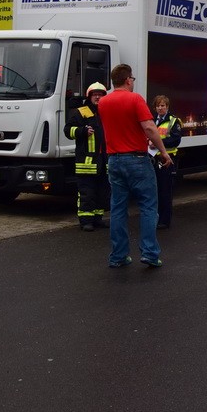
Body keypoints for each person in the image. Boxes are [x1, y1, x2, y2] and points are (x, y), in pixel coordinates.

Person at [96, 65, 172, 268]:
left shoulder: (103, 102)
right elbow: (149, 127)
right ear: (128, 80)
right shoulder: (135, 99)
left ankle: (118, 256)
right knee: (148, 206)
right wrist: (163, 152)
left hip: (114, 160)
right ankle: (149, 253)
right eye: (133, 79)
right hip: (137, 160)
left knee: (118, 208)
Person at [64, 82, 110, 231]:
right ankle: (85, 221)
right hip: (86, 162)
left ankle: (97, 219)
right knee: (87, 193)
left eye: (100, 95)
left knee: (102, 192)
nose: (97, 97)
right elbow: (67, 130)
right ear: (89, 97)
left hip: (104, 161)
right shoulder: (82, 112)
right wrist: (82, 131)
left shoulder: (107, 112)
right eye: (95, 95)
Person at [150, 95, 182, 230]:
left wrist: (157, 143)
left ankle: (164, 220)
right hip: (153, 159)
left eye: (162, 105)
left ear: (167, 107)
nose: (160, 108)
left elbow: (176, 140)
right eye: (158, 105)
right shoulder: (152, 121)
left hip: (167, 159)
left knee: (165, 190)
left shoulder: (174, 121)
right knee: (154, 190)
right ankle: (155, 218)